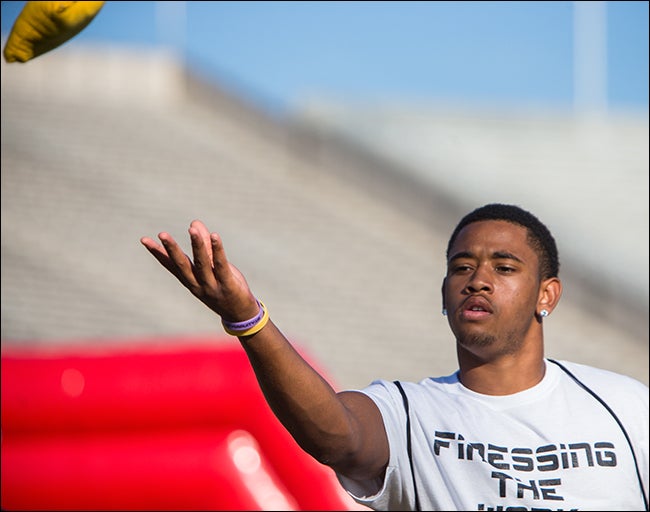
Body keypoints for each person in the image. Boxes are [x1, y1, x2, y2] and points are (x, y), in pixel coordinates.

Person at [140, 203, 649, 511]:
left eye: (505, 266)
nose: (478, 279)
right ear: (444, 293)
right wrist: (248, 320)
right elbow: (335, 433)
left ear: (547, 295)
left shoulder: (627, 409)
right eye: (462, 267)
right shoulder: (408, 412)